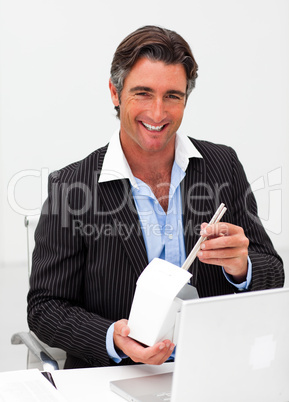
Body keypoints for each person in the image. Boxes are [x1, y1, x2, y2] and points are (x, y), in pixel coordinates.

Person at [27, 25, 284, 369]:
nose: (158, 112)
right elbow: (45, 307)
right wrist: (111, 337)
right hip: (115, 375)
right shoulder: (71, 186)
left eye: (173, 96)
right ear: (115, 94)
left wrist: (242, 267)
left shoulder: (223, 165)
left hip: (213, 368)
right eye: (143, 93)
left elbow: (273, 272)